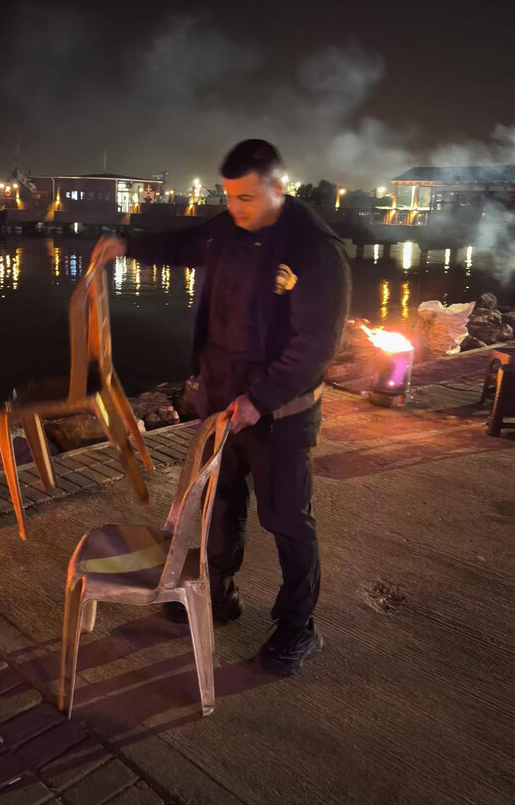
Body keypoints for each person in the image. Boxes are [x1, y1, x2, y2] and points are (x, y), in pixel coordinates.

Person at [92, 140, 349, 675]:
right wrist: (127, 244)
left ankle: (299, 625)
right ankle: (219, 593)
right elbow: (185, 243)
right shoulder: (229, 228)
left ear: (279, 187)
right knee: (218, 505)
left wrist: (260, 399)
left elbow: (315, 345)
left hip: (279, 413)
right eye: (229, 197)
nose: (235, 208)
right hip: (221, 402)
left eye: (246, 198)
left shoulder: (313, 249)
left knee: (286, 518)